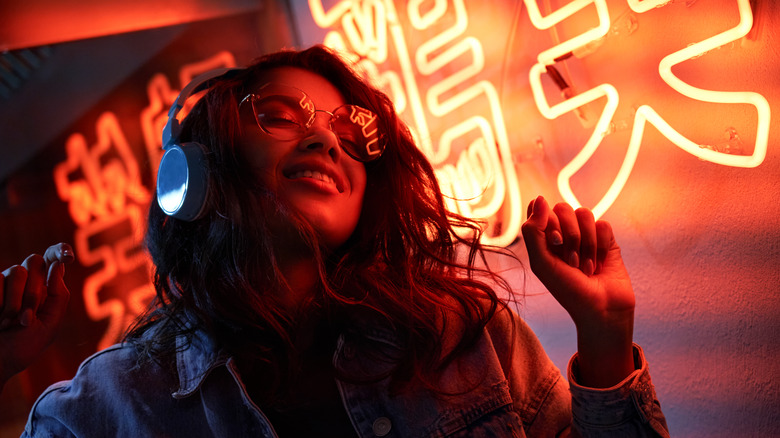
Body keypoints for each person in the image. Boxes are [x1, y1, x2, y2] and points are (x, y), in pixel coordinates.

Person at [1, 45, 669, 437]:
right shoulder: (106, 409)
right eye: (282, 119)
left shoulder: (465, 335)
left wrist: (606, 337)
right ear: (194, 173)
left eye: (352, 140)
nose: (326, 139)